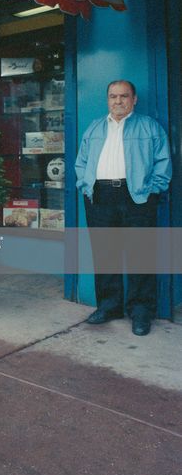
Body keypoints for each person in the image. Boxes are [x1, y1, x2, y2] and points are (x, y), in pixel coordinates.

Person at [75, 80, 172, 336]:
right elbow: (81, 162)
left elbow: (163, 163)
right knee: (105, 253)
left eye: (124, 96)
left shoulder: (150, 127)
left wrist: (153, 191)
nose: (118, 101)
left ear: (134, 99)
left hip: (137, 196)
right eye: (113, 96)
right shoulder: (95, 128)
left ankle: (141, 312)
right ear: (107, 99)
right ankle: (109, 306)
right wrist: (85, 185)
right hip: (100, 196)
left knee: (141, 254)